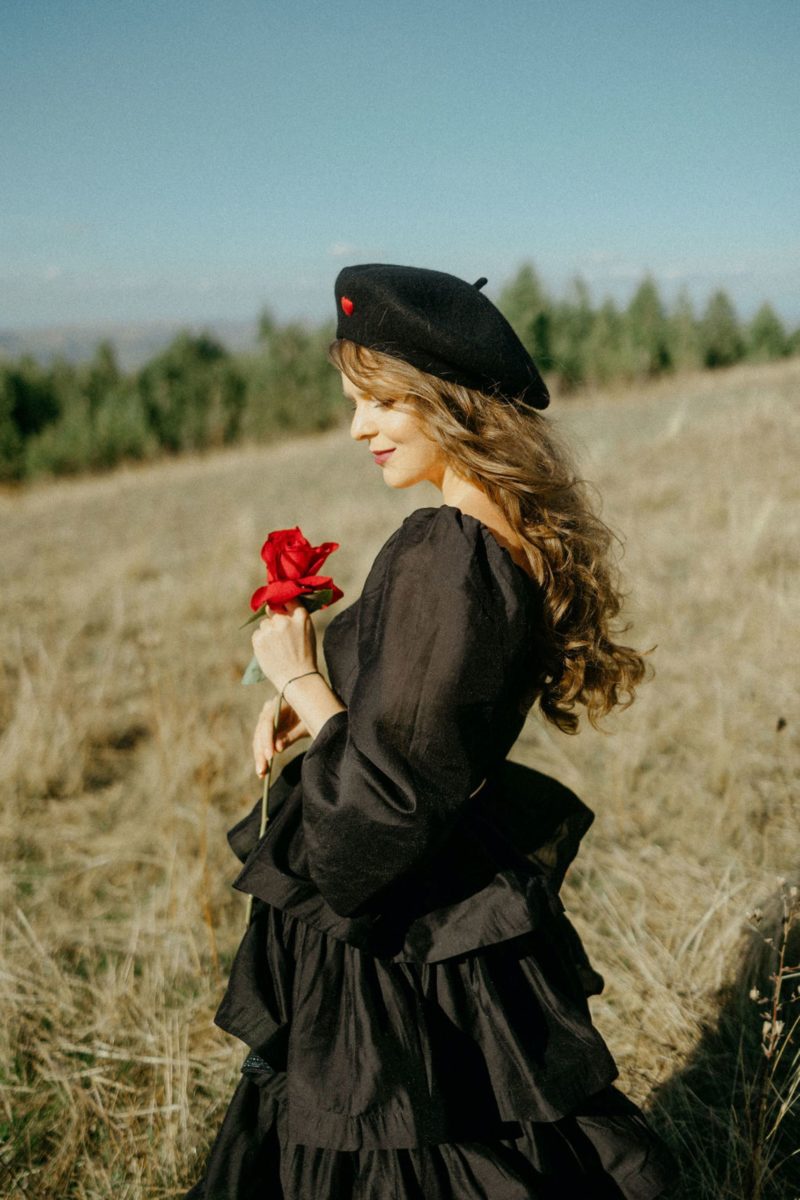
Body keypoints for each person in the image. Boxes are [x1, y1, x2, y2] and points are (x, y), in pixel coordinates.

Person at [182, 264, 677, 1198]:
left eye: (380, 402)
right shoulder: (504, 534)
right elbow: (426, 716)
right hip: (449, 904)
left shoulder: (446, 548)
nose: (358, 428)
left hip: (396, 937)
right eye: (352, 403)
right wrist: (323, 691)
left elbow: (374, 815)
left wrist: (300, 675)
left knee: (400, 1147)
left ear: (446, 402)